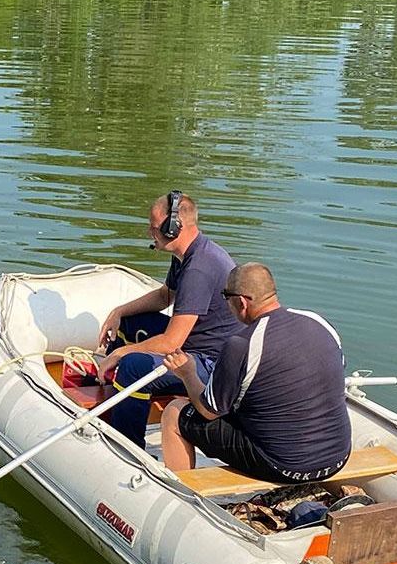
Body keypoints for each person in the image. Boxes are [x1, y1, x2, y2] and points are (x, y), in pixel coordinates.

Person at [159, 262, 352, 483]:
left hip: (282, 465)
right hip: (338, 456)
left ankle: (180, 490)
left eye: (225, 296)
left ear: (241, 302)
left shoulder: (241, 343)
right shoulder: (319, 322)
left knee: (175, 412)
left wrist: (187, 373)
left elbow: (208, 410)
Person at [95, 190, 241, 448]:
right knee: (131, 324)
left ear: (174, 227)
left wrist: (122, 353)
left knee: (133, 366)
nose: (149, 233)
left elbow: (171, 342)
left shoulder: (198, 269)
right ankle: (113, 398)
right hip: (194, 344)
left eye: (153, 228)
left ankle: (127, 447)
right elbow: (165, 296)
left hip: (210, 365)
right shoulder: (188, 254)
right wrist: (120, 312)